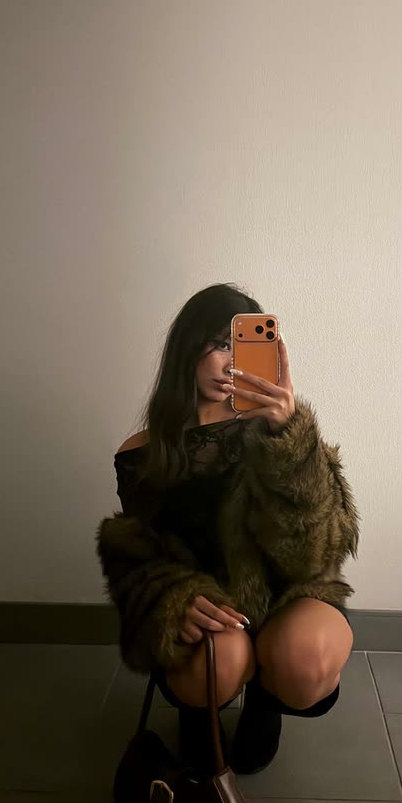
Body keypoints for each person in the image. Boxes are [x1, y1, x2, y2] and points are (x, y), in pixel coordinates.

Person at [96, 282, 360, 776]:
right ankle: (202, 714)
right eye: (220, 344)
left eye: (243, 346)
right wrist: (171, 598)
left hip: (287, 595)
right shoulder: (143, 452)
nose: (232, 363)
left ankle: (266, 699)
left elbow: (316, 553)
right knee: (218, 658)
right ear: (187, 349)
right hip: (211, 608)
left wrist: (288, 439)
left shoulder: (281, 432)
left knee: (306, 658)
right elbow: (137, 552)